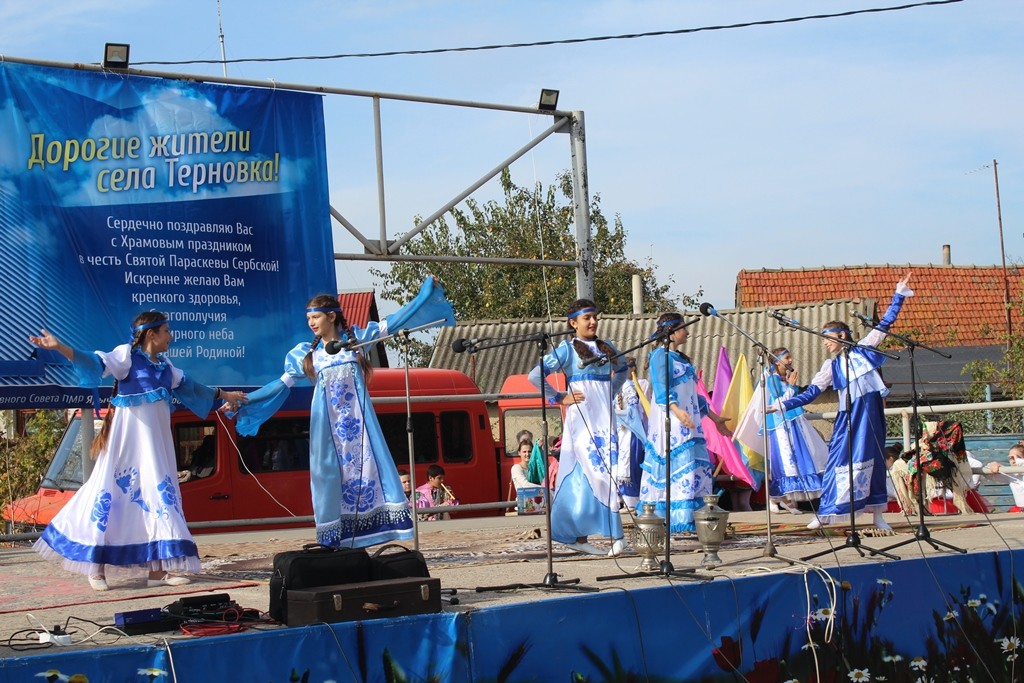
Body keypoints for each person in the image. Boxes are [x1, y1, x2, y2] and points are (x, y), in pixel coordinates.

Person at [27, 313, 247, 591]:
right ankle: (96, 568)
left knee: (157, 496)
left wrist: (225, 395)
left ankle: (156, 571)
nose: (171, 336)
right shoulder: (127, 357)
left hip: (156, 446)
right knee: (110, 495)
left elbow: (194, 388)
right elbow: (94, 363)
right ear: (151, 334)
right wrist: (60, 347)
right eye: (166, 331)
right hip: (127, 443)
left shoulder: (166, 366)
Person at [232, 277, 454, 548]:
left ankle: (367, 539)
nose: (311, 323)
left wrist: (424, 294)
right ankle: (335, 543)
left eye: (315, 317)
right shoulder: (307, 354)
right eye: (309, 319)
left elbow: (394, 321)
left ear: (331, 316)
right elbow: (279, 386)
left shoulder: (357, 341)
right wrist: (245, 400)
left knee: (368, 475)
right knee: (328, 480)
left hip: (360, 428)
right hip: (328, 430)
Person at [770, 272, 913, 531]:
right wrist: (784, 404)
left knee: (874, 462)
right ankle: (826, 512)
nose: (824, 342)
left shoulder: (864, 350)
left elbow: (884, 326)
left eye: (828, 337)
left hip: (870, 415)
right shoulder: (829, 366)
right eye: (823, 337)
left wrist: (898, 296)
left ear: (842, 336)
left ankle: (878, 516)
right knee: (838, 460)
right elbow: (812, 392)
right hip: (848, 416)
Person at [528, 299, 630, 557]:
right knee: (598, 472)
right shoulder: (567, 350)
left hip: (604, 417)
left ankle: (577, 536)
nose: (593, 322)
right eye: (587, 318)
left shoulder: (606, 347)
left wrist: (610, 391)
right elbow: (535, 375)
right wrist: (559, 397)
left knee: (594, 475)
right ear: (573, 323)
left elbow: (623, 369)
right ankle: (617, 535)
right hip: (582, 418)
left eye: (595, 317)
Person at [638, 313, 732, 534]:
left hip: (689, 423)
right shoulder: (660, 356)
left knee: (693, 470)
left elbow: (693, 396)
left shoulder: (681, 358)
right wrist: (677, 412)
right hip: (671, 421)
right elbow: (662, 390)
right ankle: (668, 520)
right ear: (671, 331)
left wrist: (715, 419)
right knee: (673, 469)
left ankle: (690, 520)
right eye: (683, 328)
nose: (687, 332)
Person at [737, 347, 827, 514]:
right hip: (779, 425)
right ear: (777, 361)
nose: (790, 360)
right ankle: (774, 496)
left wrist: (791, 387)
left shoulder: (784, 379)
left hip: (793, 423)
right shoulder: (770, 379)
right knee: (785, 461)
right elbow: (778, 403)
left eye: (790, 357)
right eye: (787, 358)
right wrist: (792, 388)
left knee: (799, 459)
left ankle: (789, 500)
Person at [987, 444, 1024, 512]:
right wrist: (993, 464)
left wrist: (1019, 461)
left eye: (1018, 457)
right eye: (1010, 458)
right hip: (1019, 510)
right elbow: (989, 476)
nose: (1013, 461)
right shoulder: (1012, 475)